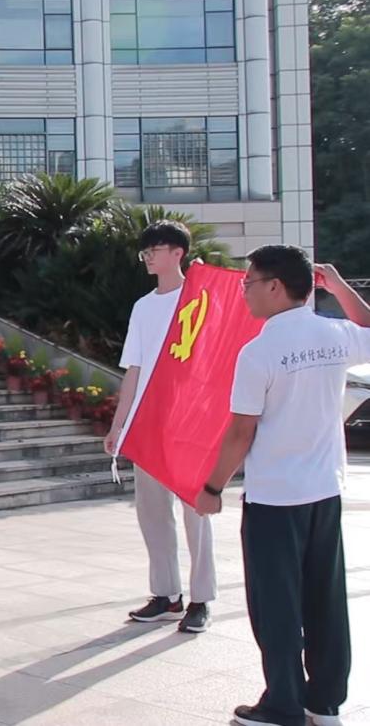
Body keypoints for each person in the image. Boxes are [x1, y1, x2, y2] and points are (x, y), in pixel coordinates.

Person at [196, 249, 364, 726]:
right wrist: (338, 286)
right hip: (324, 490)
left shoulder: (259, 352)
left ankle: (283, 704)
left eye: (248, 282)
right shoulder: (335, 335)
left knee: (276, 605)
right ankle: (325, 703)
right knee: (325, 599)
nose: (244, 291)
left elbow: (241, 431)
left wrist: (212, 487)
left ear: (275, 286)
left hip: (275, 497)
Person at [104, 220, 215, 633]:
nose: (148, 257)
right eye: (145, 251)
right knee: (152, 512)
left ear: (177, 253)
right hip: (149, 420)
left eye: (155, 249)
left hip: (190, 420)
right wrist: (119, 424)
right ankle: (167, 595)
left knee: (195, 512)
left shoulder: (200, 300)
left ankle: (201, 598)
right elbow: (134, 368)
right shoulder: (144, 307)